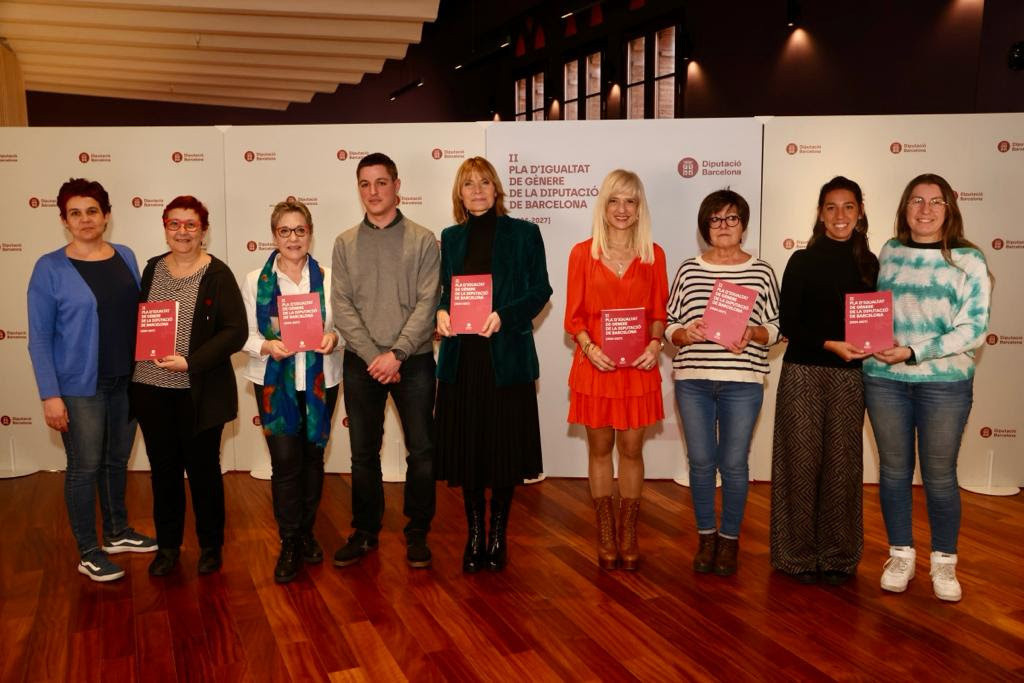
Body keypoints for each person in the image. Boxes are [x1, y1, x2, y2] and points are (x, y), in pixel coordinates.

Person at [863, 174, 990, 602]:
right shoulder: (890, 252)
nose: (925, 210)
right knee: (894, 474)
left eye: (936, 202)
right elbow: (876, 313)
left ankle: (944, 562)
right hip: (885, 381)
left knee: (939, 477)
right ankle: (901, 554)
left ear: (949, 209)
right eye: (916, 200)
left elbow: (973, 330)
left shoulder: (968, 260)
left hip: (944, 385)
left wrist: (914, 352)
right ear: (905, 207)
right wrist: (874, 345)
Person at [27, 178, 157, 582]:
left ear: (107, 215)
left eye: (92, 211)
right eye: (75, 213)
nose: (85, 220)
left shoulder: (125, 255)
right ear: (64, 220)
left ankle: (117, 531)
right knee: (84, 467)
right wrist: (51, 395)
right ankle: (88, 550)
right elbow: (40, 338)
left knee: (116, 460)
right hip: (80, 387)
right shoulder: (50, 268)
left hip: (126, 379)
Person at [435, 156, 552, 573]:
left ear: (497, 188)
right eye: (469, 184)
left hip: (506, 360)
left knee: (502, 451)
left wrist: (504, 314)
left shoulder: (524, 234)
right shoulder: (450, 238)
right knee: (470, 451)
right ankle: (474, 535)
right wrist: (442, 313)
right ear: (459, 193)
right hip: (462, 361)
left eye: (485, 182)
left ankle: (498, 534)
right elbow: (440, 292)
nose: (478, 190)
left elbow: (541, 290)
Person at [331, 153, 440, 569]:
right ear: (358, 189)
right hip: (362, 362)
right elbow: (342, 307)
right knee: (362, 453)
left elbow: (428, 303)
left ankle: (417, 532)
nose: (373, 192)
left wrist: (395, 354)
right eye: (365, 184)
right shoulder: (344, 243)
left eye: (381, 182)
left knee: (422, 451)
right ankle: (365, 531)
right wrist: (374, 355)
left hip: (412, 361)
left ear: (397, 185)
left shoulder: (423, 239)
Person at [770, 176, 879, 585]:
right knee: (798, 464)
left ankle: (837, 556)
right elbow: (789, 323)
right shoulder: (801, 260)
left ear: (860, 211)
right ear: (819, 213)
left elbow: (874, 324)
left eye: (848, 207)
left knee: (843, 467)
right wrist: (830, 343)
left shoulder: (871, 263)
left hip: (851, 377)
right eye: (831, 207)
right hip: (803, 372)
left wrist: (872, 344)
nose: (840, 215)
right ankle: (795, 556)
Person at [130, 196, 247, 577]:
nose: (182, 232)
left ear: (203, 230)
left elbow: (236, 331)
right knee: (163, 471)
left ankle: (211, 547)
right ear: (165, 227)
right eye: (174, 224)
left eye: (190, 225)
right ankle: (167, 547)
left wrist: (190, 362)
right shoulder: (151, 270)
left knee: (203, 472)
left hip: (199, 392)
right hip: (150, 387)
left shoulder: (217, 274)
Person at [666, 189, 780, 576]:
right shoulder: (688, 269)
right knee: (700, 463)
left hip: (742, 381)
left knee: (733, 464)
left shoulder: (762, 271)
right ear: (705, 227)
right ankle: (706, 537)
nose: (724, 226)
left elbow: (778, 327)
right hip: (694, 380)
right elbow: (669, 323)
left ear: (744, 225)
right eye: (715, 219)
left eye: (732, 218)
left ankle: (730, 540)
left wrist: (754, 333)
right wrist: (684, 334)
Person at [563, 169, 667, 571]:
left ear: (640, 208)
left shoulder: (653, 254)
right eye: (614, 200)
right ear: (603, 206)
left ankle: (629, 531)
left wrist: (656, 343)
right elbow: (574, 319)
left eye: (631, 201)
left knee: (632, 450)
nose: (622, 210)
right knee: (600, 450)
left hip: (638, 370)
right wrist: (589, 348)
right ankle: (605, 530)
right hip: (595, 367)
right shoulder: (581, 253)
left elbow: (659, 313)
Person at [242, 200, 342, 583]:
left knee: (313, 462)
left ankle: (307, 533)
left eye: (300, 230)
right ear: (274, 235)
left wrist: (335, 337)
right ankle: (289, 541)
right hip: (273, 383)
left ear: (310, 232)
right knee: (285, 464)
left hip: (321, 380)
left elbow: (347, 326)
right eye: (284, 231)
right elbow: (244, 334)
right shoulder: (255, 281)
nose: (293, 238)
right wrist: (266, 346)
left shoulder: (330, 278)